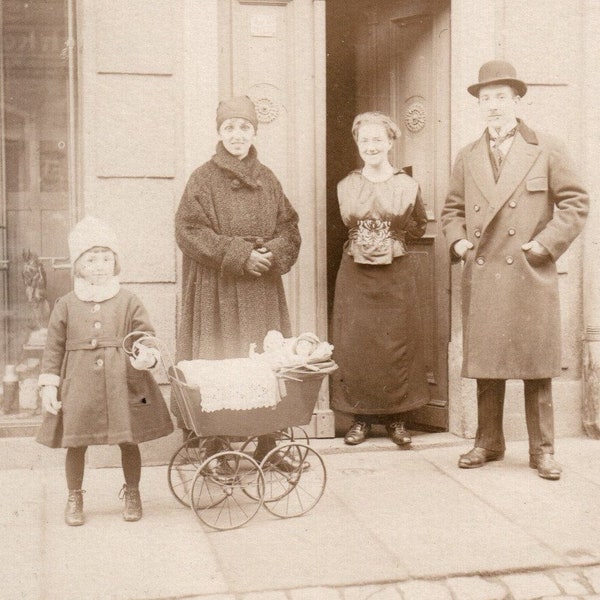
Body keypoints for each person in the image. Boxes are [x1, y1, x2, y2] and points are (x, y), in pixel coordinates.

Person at [441, 60, 589, 480]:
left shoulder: (547, 146)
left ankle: (543, 450)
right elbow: (451, 209)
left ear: (517, 100)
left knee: (535, 363)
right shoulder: (468, 155)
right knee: (489, 361)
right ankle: (488, 442)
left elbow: (576, 202)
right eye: (485, 98)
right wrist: (460, 242)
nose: (492, 106)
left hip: (528, 270)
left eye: (500, 97)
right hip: (485, 271)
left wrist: (545, 245)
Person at [175, 95, 301, 468]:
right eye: (229, 127)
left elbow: (289, 228)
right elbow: (188, 230)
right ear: (219, 131)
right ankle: (215, 444)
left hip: (261, 289)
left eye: (244, 127)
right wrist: (240, 255)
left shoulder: (268, 179)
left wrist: (271, 254)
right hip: (218, 290)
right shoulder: (202, 178)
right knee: (220, 362)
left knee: (264, 360)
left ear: (254, 132)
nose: (237, 135)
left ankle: (269, 443)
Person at [36, 216, 174, 525]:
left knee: (129, 439)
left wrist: (144, 355)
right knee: (76, 441)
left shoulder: (128, 300)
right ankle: (74, 496)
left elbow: (142, 335)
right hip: (78, 382)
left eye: (106, 258)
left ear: (115, 263)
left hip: (121, 380)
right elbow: (53, 347)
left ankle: (133, 492)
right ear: (79, 266)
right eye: (91, 259)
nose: (99, 265)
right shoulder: (66, 303)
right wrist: (49, 385)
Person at [331, 111, 430, 446]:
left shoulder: (407, 185)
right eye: (364, 140)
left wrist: (390, 242)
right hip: (356, 275)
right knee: (358, 344)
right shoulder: (346, 186)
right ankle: (360, 419)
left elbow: (417, 226)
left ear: (390, 143)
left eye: (377, 140)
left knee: (396, 344)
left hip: (396, 274)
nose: (370, 146)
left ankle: (397, 420)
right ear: (357, 144)